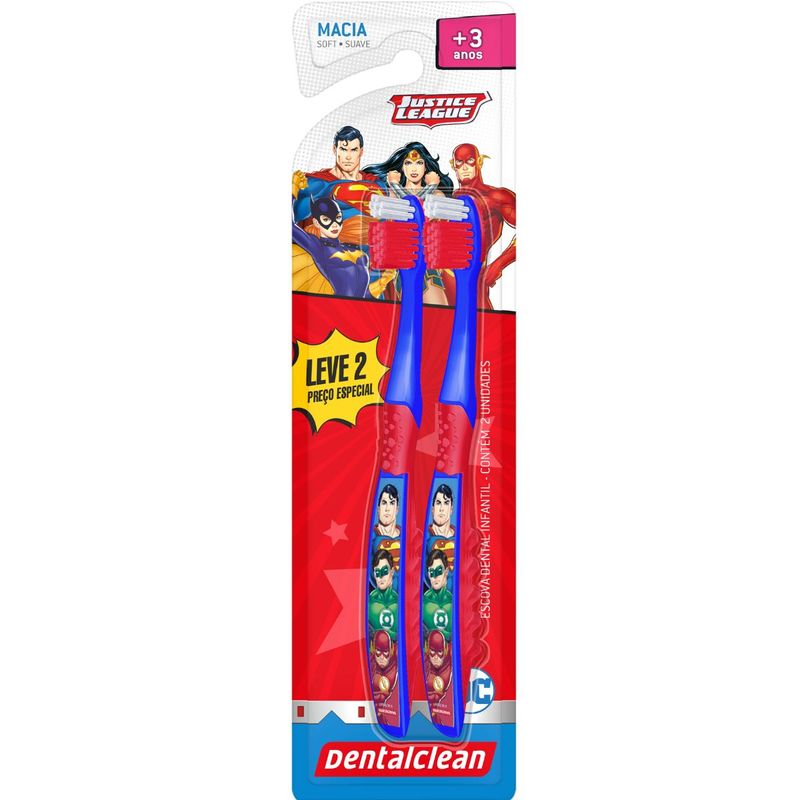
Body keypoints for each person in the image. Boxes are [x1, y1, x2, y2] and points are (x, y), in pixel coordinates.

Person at [450, 143, 516, 309]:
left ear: (479, 162)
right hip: (442, 279)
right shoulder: (447, 200)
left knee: (480, 315)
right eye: (459, 163)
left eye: (470, 161)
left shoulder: (497, 197)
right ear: (453, 165)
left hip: (474, 278)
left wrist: (498, 265)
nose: (465, 167)